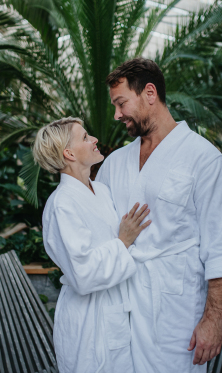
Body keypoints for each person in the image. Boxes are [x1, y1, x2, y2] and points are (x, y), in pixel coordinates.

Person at [96, 58, 222, 373]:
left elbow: (220, 249)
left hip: (175, 312)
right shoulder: (115, 163)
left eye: (121, 103)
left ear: (150, 93)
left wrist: (213, 320)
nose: (116, 114)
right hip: (120, 309)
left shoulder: (204, 159)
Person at [33, 117, 150, 373]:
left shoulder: (102, 191)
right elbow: (83, 274)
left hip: (114, 314)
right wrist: (123, 242)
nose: (94, 139)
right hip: (87, 322)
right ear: (69, 153)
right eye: (85, 137)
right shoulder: (62, 204)